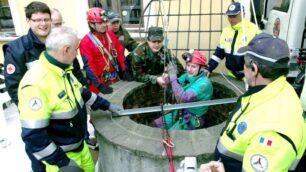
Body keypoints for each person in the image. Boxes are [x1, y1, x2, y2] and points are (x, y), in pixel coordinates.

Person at [18, 26, 122, 172]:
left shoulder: (63, 69)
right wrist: (63, 162)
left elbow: (81, 92)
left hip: (81, 148)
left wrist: (106, 105)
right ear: (66, 50)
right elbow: (34, 137)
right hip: (60, 161)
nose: (77, 53)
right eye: (76, 49)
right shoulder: (36, 84)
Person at [202, 33, 306, 172]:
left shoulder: (274, 131)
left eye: (244, 63)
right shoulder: (277, 89)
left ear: (254, 69)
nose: (243, 68)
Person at [3, 2, 51, 171]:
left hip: (61, 111)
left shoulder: (57, 42)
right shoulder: (17, 49)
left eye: (46, 19)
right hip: (36, 115)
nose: (43, 24)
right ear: (28, 21)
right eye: (37, 20)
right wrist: (32, 112)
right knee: (39, 158)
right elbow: (14, 87)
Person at [152, 50, 213, 130]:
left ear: (202, 68)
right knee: (155, 125)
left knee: (173, 135)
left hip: (194, 118)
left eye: (193, 66)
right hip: (181, 111)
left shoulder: (204, 84)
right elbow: (175, 83)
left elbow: (182, 98)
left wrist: (173, 76)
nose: (189, 69)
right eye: (188, 65)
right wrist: (167, 78)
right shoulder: (187, 75)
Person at [80, 7, 132, 95]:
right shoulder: (85, 42)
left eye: (105, 21)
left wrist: (124, 70)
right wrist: (99, 85)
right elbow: (89, 66)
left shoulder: (110, 34)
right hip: (98, 83)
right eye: (100, 23)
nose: (104, 25)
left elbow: (119, 52)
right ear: (91, 24)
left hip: (114, 78)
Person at [204, 2, 260, 80]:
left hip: (249, 76)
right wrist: (209, 67)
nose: (231, 19)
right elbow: (219, 53)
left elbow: (260, 57)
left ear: (243, 14)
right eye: (229, 16)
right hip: (231, 75)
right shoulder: (226, 31)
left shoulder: (254, 30)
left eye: (234, 16)